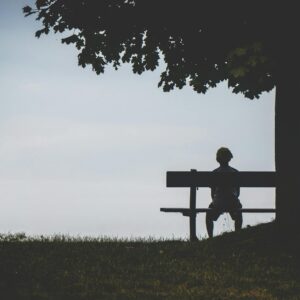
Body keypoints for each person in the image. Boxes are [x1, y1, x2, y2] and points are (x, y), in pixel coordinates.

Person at [206, 147, 243, 238]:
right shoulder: (235, 172)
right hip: (232, 201)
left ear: (218, 159)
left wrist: (216, 201)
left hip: (218, 202)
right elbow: (238, 193)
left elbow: (212, 193)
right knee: (238, 211)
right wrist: (234, 197)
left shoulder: (214, 173)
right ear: (230, 158)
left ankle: (210, 237)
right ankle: (237, 234)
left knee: (208, 215)